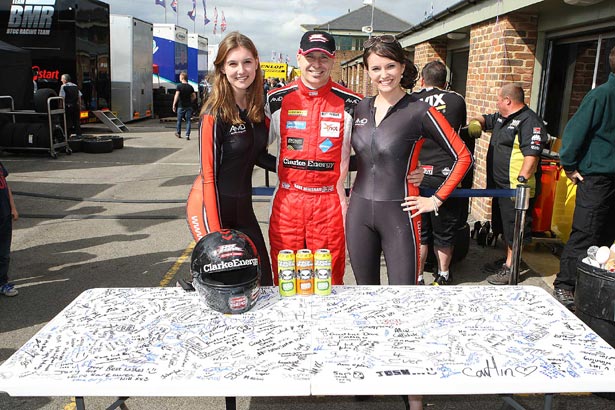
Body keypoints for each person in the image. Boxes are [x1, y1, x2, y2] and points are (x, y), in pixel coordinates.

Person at [348, 35, 472, 288]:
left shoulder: (420, 110)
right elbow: (361, 156)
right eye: (376, 68)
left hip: (400, 213)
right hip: (358, 212)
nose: (384, 74)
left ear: (403, 67)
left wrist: (435, 199)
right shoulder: (360, 108)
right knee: (364, 293)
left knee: (404, 296)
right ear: (367, 71)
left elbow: (463, 157)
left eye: (390, 66)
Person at [265, 30, 362, 285]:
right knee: (286, 280)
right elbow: (249, 148)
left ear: (333, 61)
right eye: (311, 57)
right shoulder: (275, 100)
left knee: (327, 281)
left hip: (330, 201)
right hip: (288, 200)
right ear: (299, 58)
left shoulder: (353, 103)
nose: (316, 64)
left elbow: (374, 152)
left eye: (324, 58)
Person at [185, 32, 274, 286]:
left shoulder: (257, 108)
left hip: (243, 208)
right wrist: (215, 235)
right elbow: (209, 176)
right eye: (233, 64)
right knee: (223, 280)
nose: (241, 70)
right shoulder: (214, 114)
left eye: (247, 62)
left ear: (257, 63)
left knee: (263, 278)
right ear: (222, 69)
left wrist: (292, 166)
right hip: (209, 206)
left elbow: (257, 156)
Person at [552, 46, 615, 310]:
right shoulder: (601, 96)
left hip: (604, 179)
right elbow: (574, 134)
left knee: (608, 236)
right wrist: (568, 165)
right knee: (586, 232)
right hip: (598, 179)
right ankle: (565, 286)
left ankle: (599, 284)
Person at [468, 83, 548, 285]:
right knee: (503, 225)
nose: (496, 103)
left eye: (498, 99)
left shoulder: (529, 121)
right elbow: (485, 119)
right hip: (500, 186)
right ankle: (508, 260)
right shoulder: (504, 117)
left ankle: (511, 267)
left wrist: (522, 180)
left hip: (515, 188)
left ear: (507, 101)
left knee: (514, 229)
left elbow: (532, 154)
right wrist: (475, 122)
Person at [411, 60, 473, 285]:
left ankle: (417, 277)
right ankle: (444, 274)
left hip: (416, 174)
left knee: (420, 231)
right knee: (444, 231)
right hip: (446, 175)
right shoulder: (457, 99)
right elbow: (460, 131)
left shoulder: (412, 100)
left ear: (422, 80)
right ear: (446, 82)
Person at [0, 161, 19, 297]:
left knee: (4, 254)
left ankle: (2, 282)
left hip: (4, 215)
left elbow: (6, 187)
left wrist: (13, 208)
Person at [173, 71, 196, 140]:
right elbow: (194, 96)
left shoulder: (179, 86)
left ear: (182, 78)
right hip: (188, 106)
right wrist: (190, 101)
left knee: (179, 120)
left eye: (180, 77)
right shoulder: (190, 87)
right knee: (188, 121)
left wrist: (174, 104)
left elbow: (176, 96)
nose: (179, 78)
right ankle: (187, 135)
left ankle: (178, 133)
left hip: (181, 106)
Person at [59, 74, 82, 138]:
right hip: (75, 106)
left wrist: (60, 106)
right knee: (76, 121)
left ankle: (67, 135)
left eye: (62, 79)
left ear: (65, 80)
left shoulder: (63, 86)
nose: (61, 80)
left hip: (68, 106)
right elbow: (79, 96)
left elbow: (62, 97)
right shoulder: (75, 86)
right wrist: (79, 105)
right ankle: (79, 135)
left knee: (67, 121)